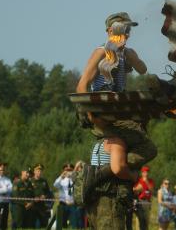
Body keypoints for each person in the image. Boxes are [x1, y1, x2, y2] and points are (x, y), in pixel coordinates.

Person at [77, 12, 158, 230]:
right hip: (102, 111)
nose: (125, 34)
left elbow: (143, 69)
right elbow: (82, 83)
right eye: (121, 29)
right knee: (147, 146)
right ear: (109, 32)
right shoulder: (101, 51)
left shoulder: (126, 53)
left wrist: (131, 57)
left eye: (128, 30)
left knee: (138, 132)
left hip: (117, 111)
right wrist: (87, 112)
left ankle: (110, 168)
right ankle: (110, 170)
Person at [54, 163, 78, 229]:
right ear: (63, 171)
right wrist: (61, 176)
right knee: (62, 223)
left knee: (74, 223)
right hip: (63, 204)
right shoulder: (61, 179)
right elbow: (55, 185)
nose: (68, 172)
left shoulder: (75, 179)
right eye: (66, 170)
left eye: (70, 170)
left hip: (72, 204)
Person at [132, 166, 155, 230]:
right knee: (139, 221)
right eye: (144, 172)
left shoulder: (150, 181)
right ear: (142, 173)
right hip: (140, 201)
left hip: (147, 202)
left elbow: (152, 191)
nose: (146, 174)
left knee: (146, 221)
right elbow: (134, 190)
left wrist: (146, 182)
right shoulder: (139, 180)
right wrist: (137, 189)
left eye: (147, 172)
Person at [0, 163, 12, 230]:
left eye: (3, 170)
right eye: (0, 170)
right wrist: (4, 189)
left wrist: (1, 189)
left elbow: (10, 189)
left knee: (4, 220)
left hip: (6, 203)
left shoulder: (7, 179)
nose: (2, 171)